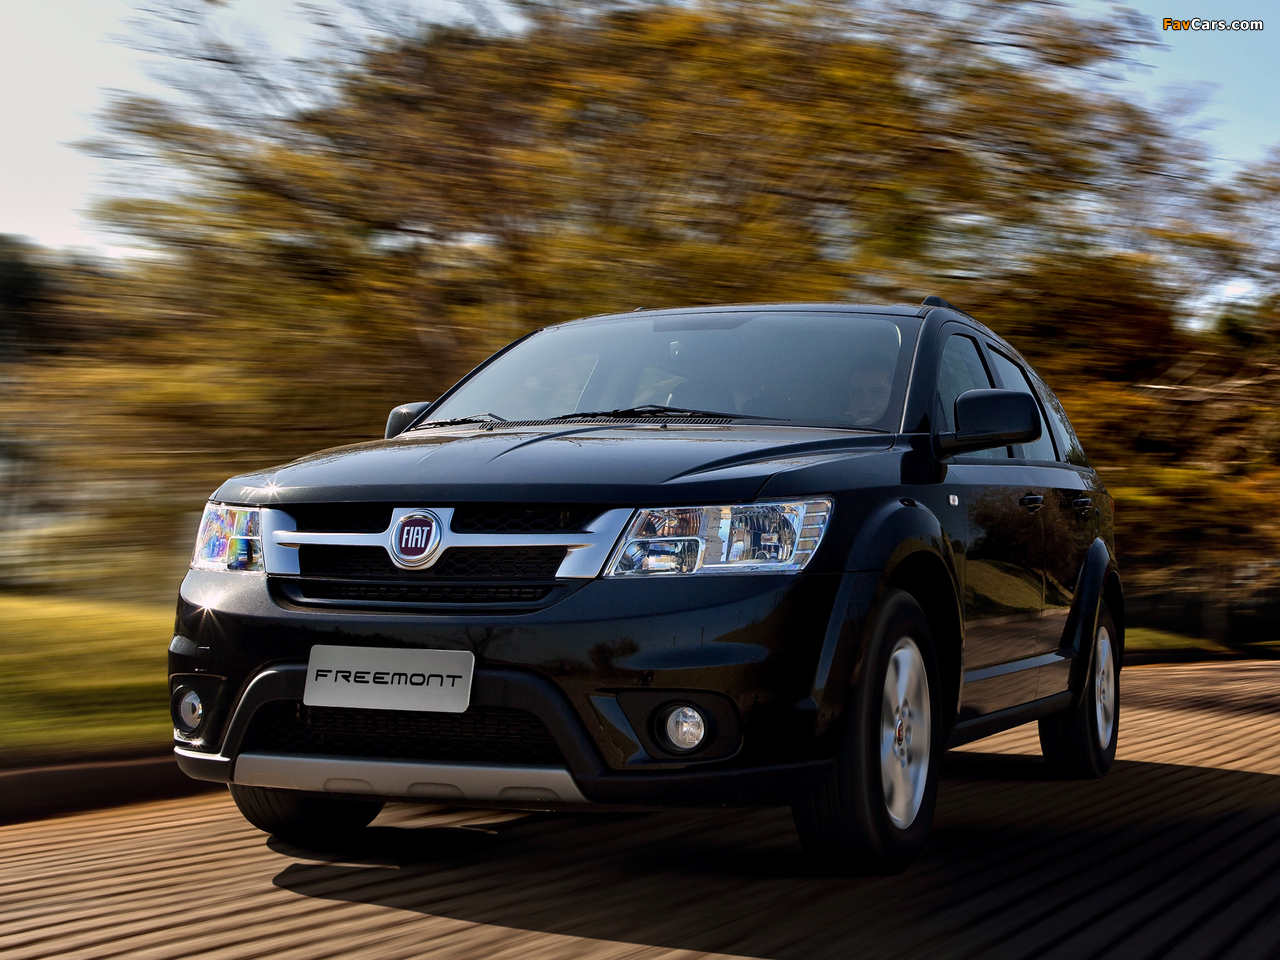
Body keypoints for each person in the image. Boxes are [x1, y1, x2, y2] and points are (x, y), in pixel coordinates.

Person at [848, 352, 895, 425]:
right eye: (856, 393)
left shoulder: (906, 428)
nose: (865, 401)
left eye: (877, 392)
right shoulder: (832, 427)